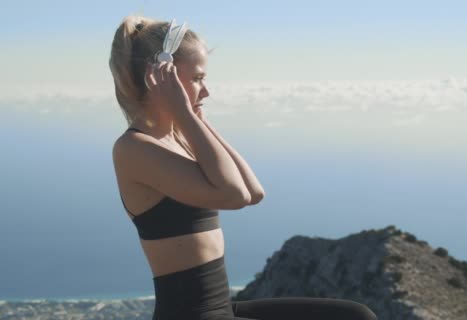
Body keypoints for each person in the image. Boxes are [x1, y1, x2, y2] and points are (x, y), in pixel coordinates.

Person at [109, 14, 377, 320]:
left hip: (220, 309)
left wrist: (196, 120)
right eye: (197, 78)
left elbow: (253, 191)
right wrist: (184, 113)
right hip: (191, 315)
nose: (206, 91)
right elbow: (233, 195)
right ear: (160, 75)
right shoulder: (134, 149)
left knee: (355, 315)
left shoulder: (179, 138)